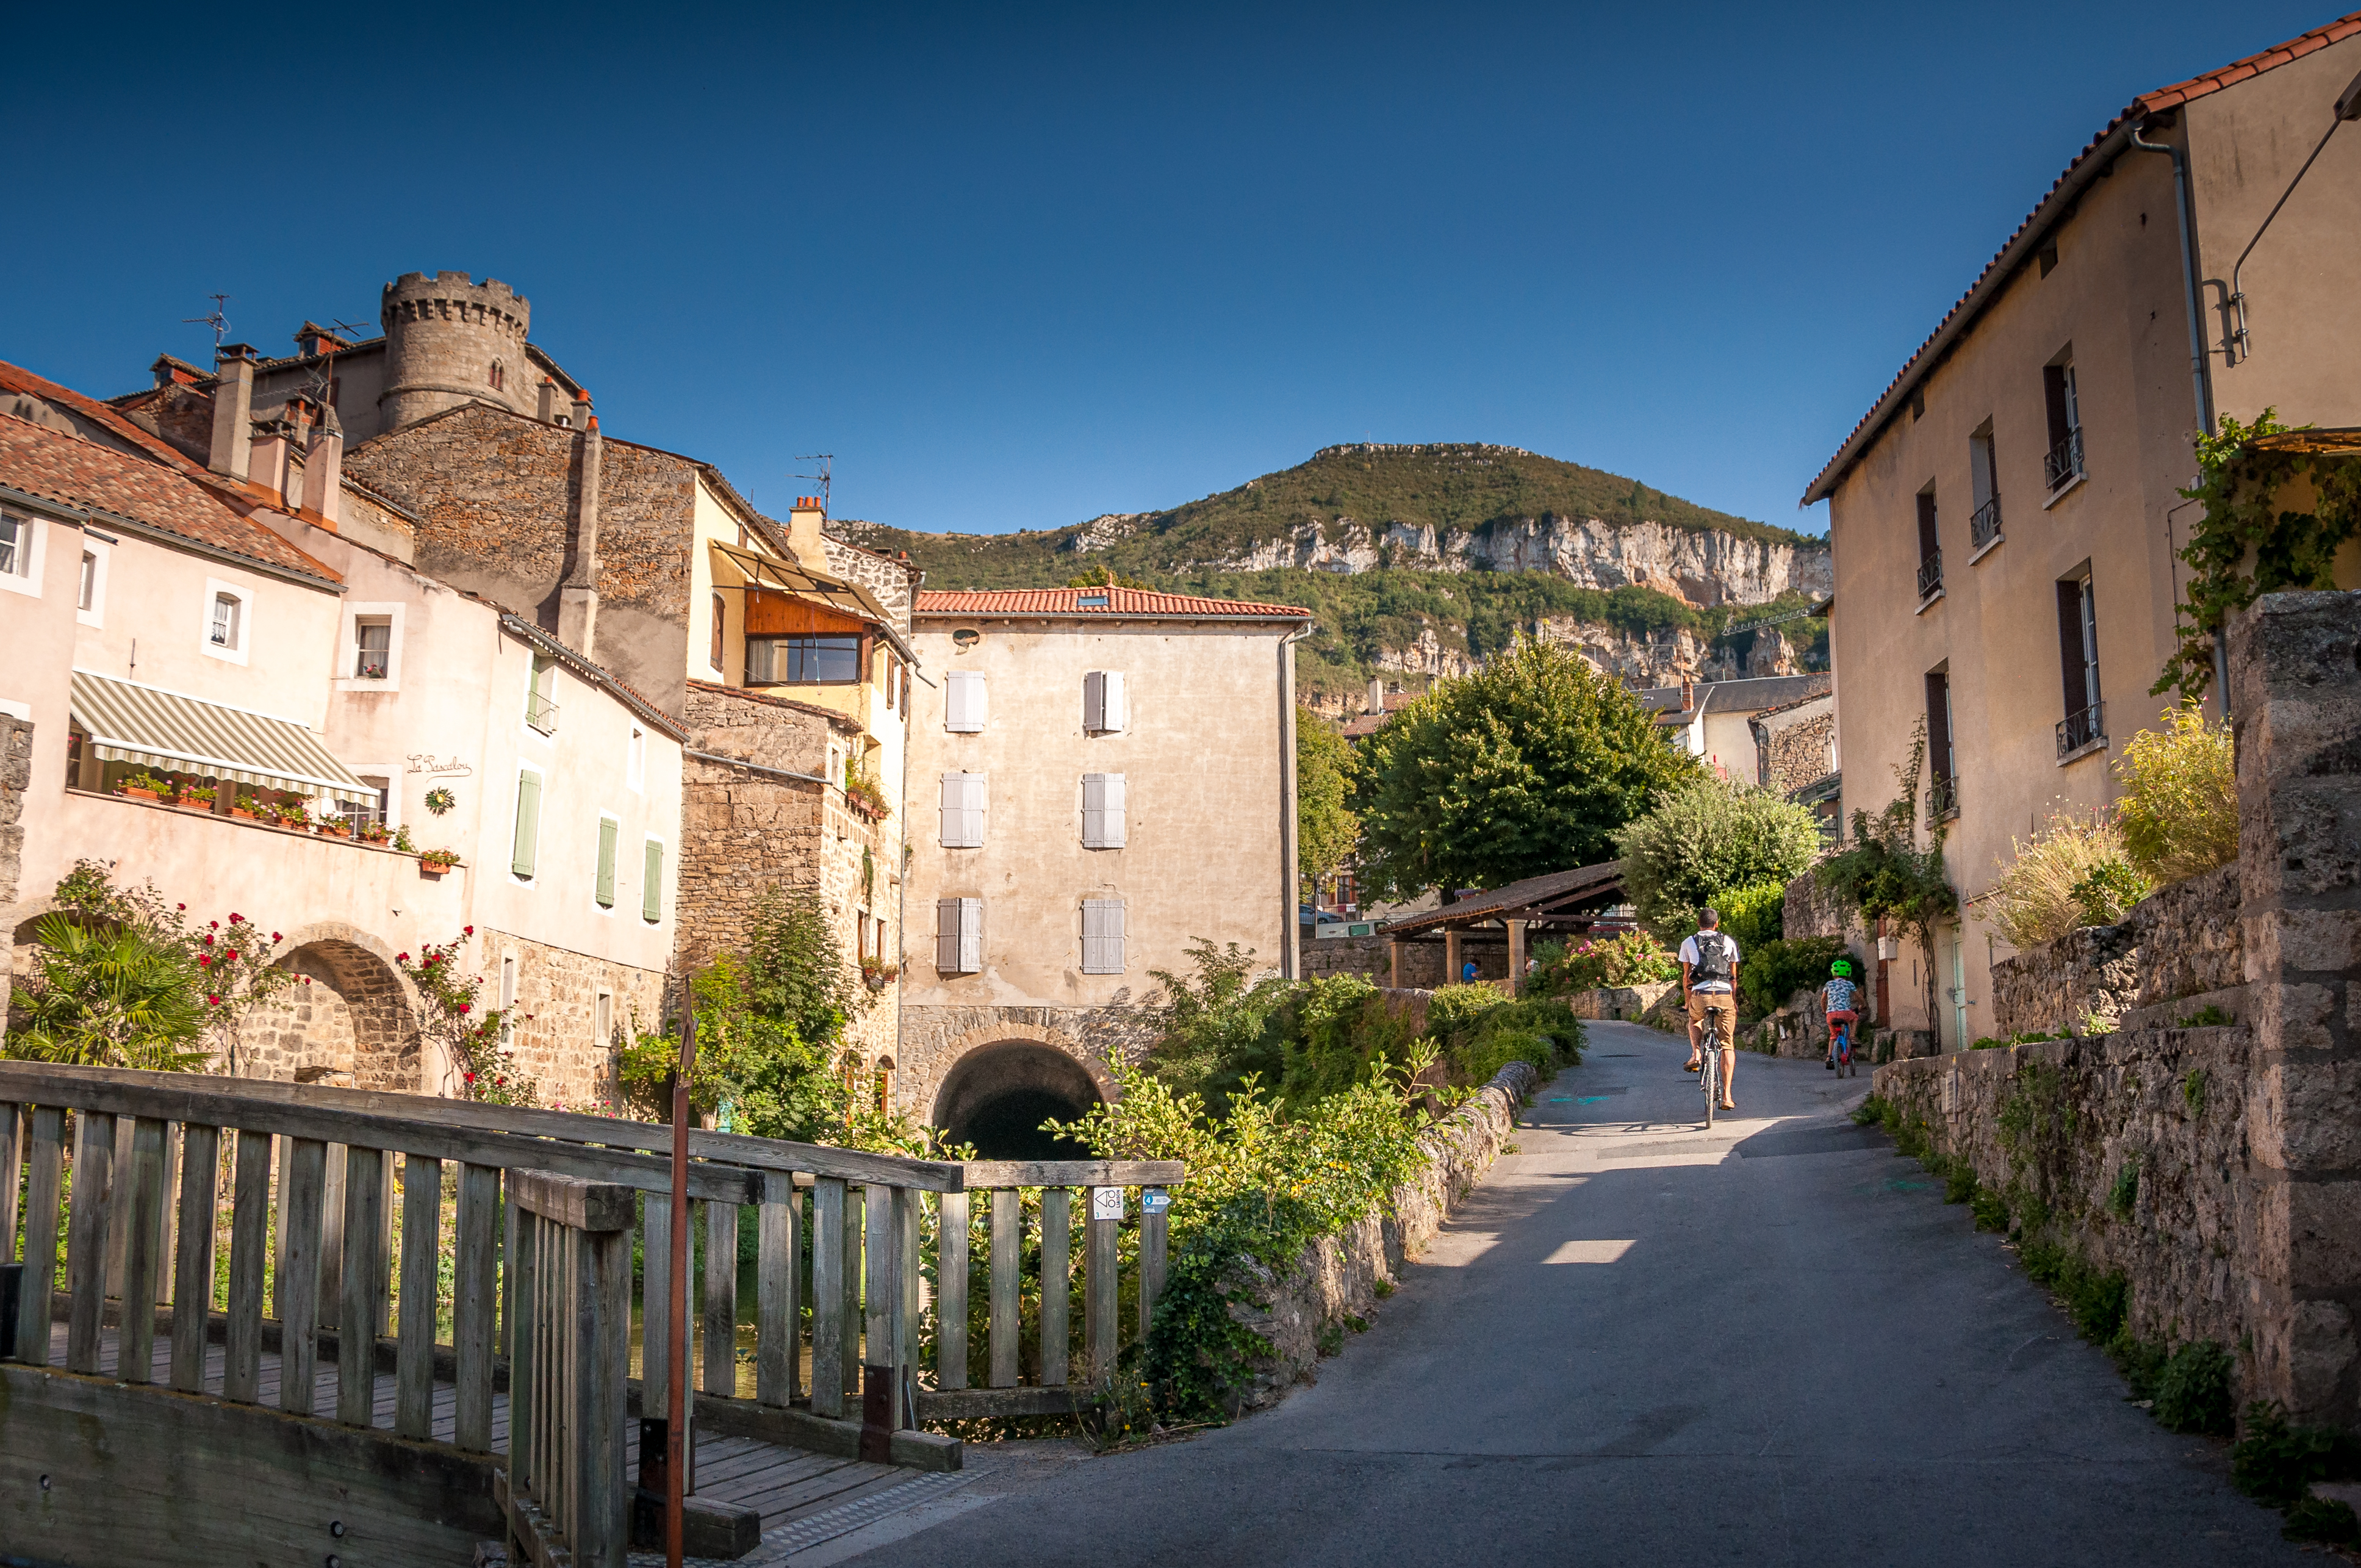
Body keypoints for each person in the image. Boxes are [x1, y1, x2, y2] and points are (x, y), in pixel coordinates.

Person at [1681, 909, 1741, 1110]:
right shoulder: (1729, 941)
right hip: (1724, 995)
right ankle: (1727, 1096)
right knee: (1727, 1045)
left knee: (1695, 1019)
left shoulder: (1689, 942)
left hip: (1701, 993)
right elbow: (1733, 978)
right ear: (1717, 924)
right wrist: (1734, 1001)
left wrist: (1688, 1002)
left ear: (1698, 923)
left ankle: (1696, 1054)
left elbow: (1687, 978)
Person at [1822, 957, 1861, 1071]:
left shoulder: (1829, 984)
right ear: (1848, 973)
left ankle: (1829, 1057)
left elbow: (1823, 1000)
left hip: (1831, 1014)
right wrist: (1862, 1005)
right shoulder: (1849, 984)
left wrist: (1825, 1011)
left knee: (1833, 1036)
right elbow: (1859, 996)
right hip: (1845, 1013)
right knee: (1855, 1017)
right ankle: (1852, 1038)